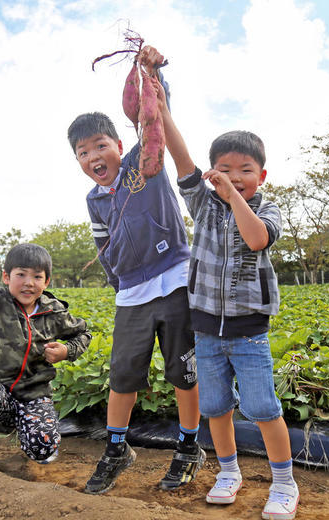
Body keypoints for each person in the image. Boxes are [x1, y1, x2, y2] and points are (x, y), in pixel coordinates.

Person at [156, 84, 299, 520]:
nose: (235, 176)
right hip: (205, 329)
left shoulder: (267, 209)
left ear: (262, 176)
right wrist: (161, 106)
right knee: (215, 407)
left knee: (262, 408)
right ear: (211, 170)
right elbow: (180, 158)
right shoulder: (202, 203)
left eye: (245, 170)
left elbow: (256, 238)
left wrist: (232, 194)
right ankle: (229, 472)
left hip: (249, 331)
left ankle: (284, 482)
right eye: (224, 168)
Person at [66, 46, 204, 495]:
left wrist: (153, 71)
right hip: (131, 295)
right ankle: (117, 448)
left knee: (184, 371)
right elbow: (102, 246)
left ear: (119, 146)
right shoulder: (94, 200)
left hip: (174, 280)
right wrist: (115, 277)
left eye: (101, 146)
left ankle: (188, 447)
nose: (93, 156)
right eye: (83, 153)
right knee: (122, 375)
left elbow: (154, 115)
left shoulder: (145, 163)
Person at [0, 205, 91, 469]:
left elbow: (83, 333)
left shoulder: (55, 312)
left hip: (34, 395)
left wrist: (67, 351)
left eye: (37, 277)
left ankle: (32, 431)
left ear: (47, 281)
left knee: (42, 450)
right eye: (21, 275)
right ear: (7, 277)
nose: (29, 283)